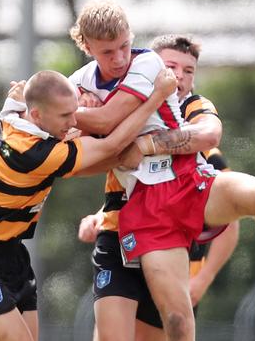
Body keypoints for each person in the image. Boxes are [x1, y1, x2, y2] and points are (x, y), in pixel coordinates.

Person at [68, 0, 255, 341]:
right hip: (146, 208)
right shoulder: (81, 82)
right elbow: (66, 128)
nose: (119, 59)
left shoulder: (148, 67)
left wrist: (97, 124)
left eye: (124, 46)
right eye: (107, 52)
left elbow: (203, 134)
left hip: (189, 180)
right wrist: (47, 107)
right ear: (88, 48)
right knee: (176, 321)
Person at [0, 68, 177, 341]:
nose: (74, 120)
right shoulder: (34, 153)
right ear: (38, 115)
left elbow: (20, 100)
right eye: (65, 116)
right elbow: (112, 146)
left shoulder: (16, 114)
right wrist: (157, 96)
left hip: (13, 255)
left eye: (74, 111)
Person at [76, 35, 239, 341]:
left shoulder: (201, 139)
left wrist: (202, 279)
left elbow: (228, 223)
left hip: (172, 249)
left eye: (189, 71)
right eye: (171, 66)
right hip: (119, 238)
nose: (179, 75)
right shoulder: (127, 112)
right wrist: (100, 215)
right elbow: (127, 184)